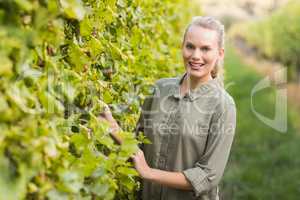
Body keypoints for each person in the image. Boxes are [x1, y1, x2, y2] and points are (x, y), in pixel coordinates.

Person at [100, 16, 236, 200]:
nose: (196, 55)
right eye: (190, 46)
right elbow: (138, 144)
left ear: (220, 54)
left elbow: (207, 176)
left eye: (205, 49)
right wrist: (112, 127)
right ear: (182, 47)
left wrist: (149, 173)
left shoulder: (223, 105)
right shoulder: (159, 89)